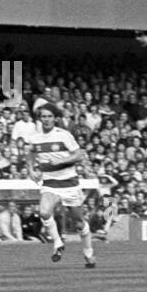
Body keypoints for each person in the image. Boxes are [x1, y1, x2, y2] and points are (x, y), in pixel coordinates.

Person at [25, 103, 95, 267]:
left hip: (69, 183)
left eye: (50, 116)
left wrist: (60, 160)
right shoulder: (35, 137)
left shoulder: (64, 135)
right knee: (44, 212)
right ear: (39, 119)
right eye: (44, 116)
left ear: (55, 118)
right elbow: (30, 153)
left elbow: (79, 155)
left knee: (78, 222)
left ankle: (88, 253)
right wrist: (30, 170)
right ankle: (57, 243)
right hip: (50, 183)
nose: (47, 119)